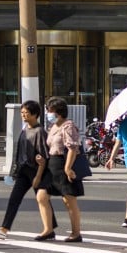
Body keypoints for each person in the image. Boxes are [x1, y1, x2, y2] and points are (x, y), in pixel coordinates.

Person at [0, 100, 58, 240]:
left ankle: (49, 229)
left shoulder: (39, 131)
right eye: (22, 113)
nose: (23, 115)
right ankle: (4, 229)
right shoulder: (25, 129)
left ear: (35, 114)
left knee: (43, 200)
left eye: (27, 113)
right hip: (24, 171)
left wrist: (38, 176)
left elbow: (44, 157)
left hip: (36, 171)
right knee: (15, 199)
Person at [34, 96, 84, 243]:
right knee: (41, 196)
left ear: (58, 111)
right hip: (51, 165)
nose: (48, 113)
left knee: (69, 199)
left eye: (50, 110)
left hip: (63, 163)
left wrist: (68, 168)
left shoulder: (68, 126)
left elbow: (72, 148)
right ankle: (48, 230)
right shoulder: (53, 127)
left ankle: (76, 233)